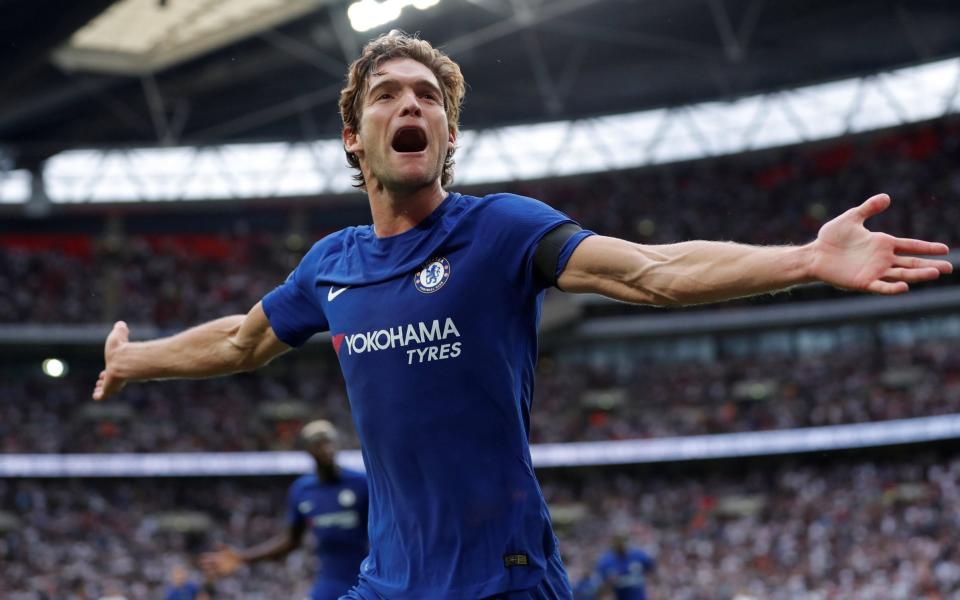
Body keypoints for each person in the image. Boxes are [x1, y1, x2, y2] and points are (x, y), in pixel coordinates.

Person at [91, 31, 953, 600]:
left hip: (503, 579)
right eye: (387, 95)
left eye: (428, 97)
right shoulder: (331, 264)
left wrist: (805, 258)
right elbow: (241, 341)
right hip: (386, 581)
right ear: (355, 135)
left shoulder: (502, 230)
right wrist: (137, 359)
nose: (410, 106)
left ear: (450, 134)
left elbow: (652, 273)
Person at [199, 420, 368, 600]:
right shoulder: (302, 491)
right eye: (319, 443)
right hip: (329, 583)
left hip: (365, 578)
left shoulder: (361, 483)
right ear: (308, 450)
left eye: (329, 441)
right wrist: (243, 557)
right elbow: (290, 542)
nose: (326, 448)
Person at [594, 534, 654, 600]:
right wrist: (609, 584)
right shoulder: (605, 561)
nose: (622, 545)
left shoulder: (638, 555)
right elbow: (599, 589)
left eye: (624, 541)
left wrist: (650, 586)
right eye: (619, 542)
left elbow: (652, 571)